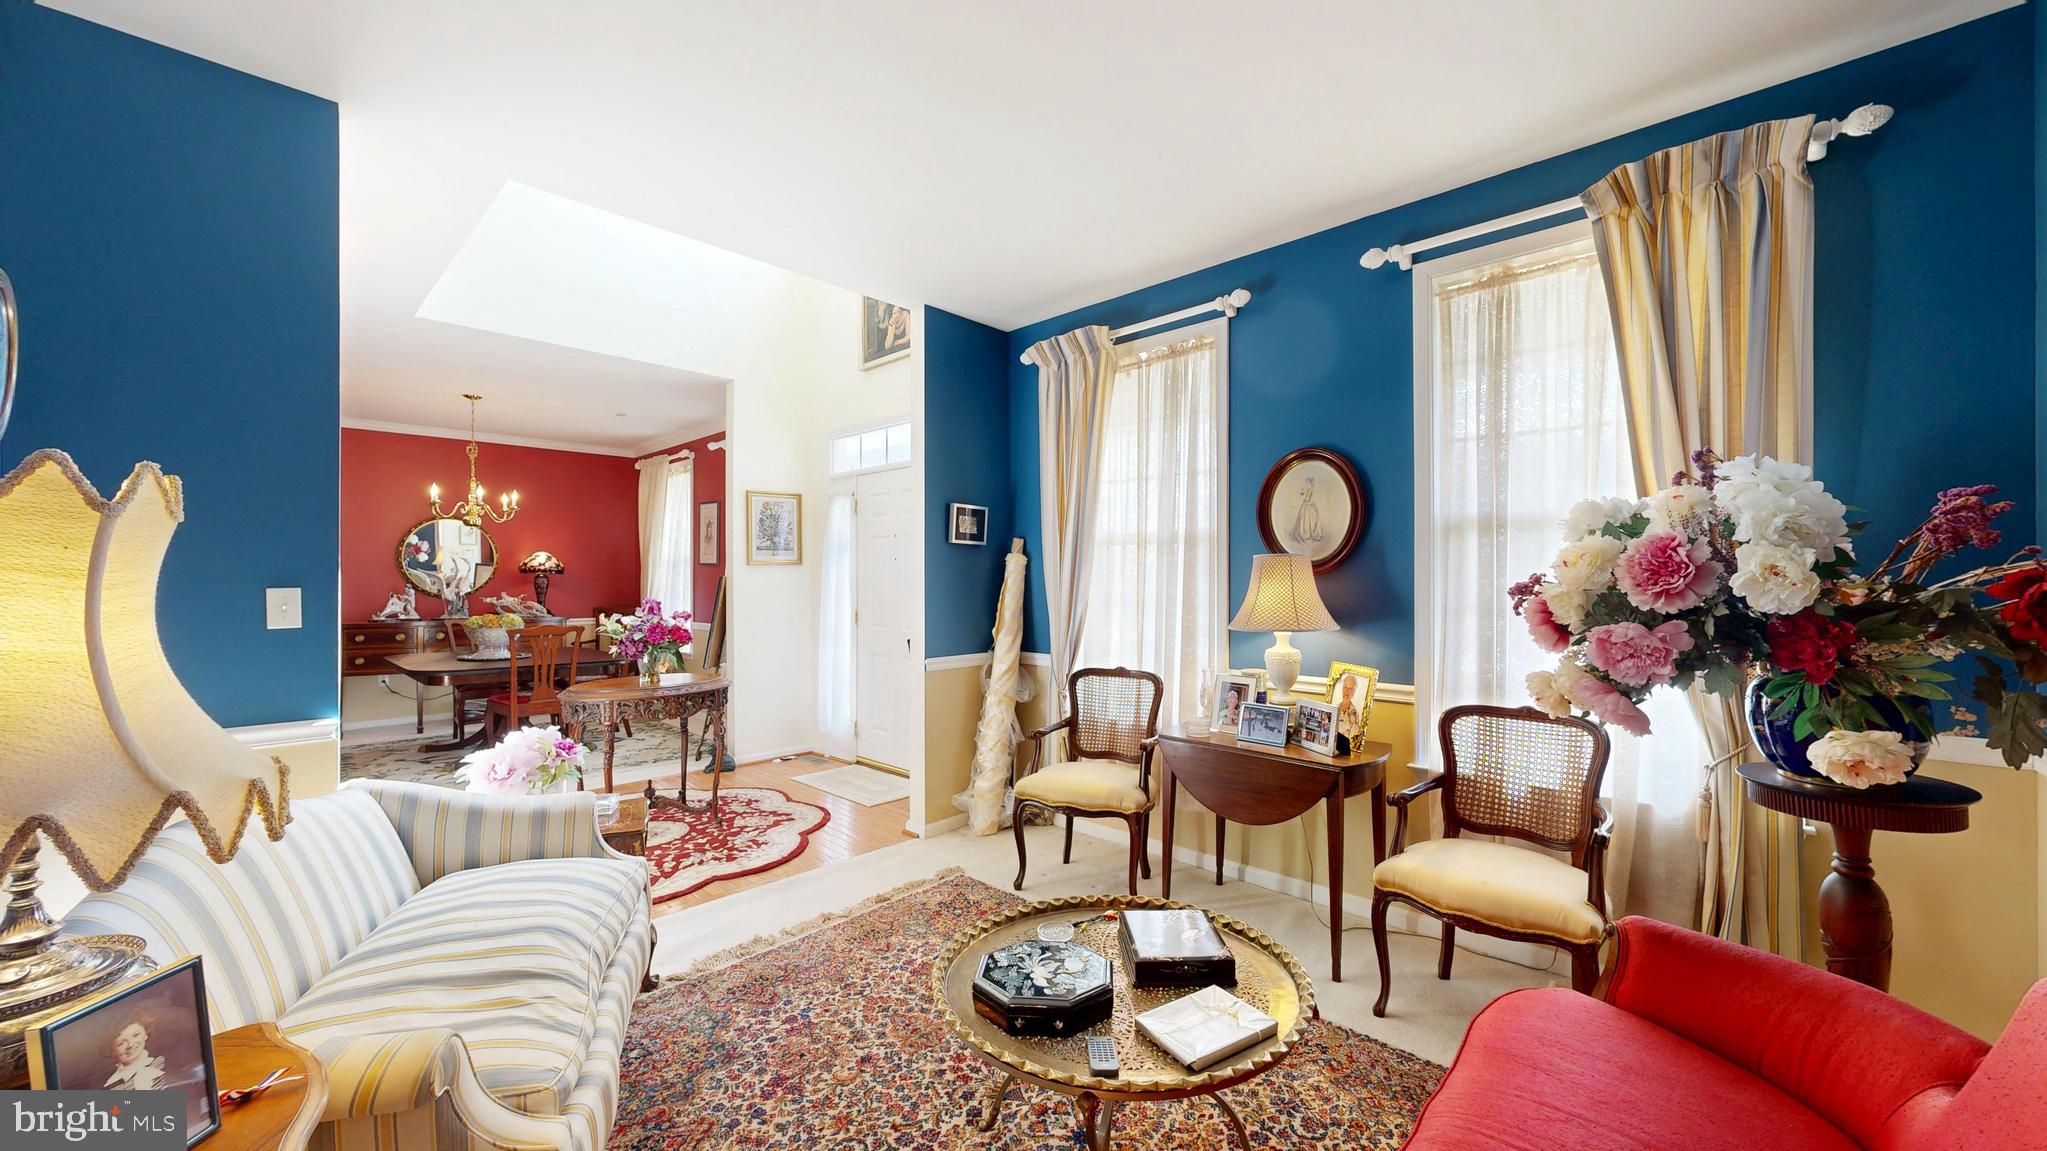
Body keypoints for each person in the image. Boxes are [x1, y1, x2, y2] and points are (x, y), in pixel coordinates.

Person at [104, 1018, 166, 1091]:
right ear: (113, 1051)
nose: (130, 1045)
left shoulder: (164, 1061)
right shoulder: (111, 1088)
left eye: (136, 1035)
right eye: (121, 1043)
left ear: (145, 1034)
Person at [1336, 675, 1363, 741]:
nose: (1346, 692)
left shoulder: (1354, 714)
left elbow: (1352, 741)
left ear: (1353, 692)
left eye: (1350, 689)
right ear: (1342, 688)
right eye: (1345, 687)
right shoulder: (1336, 707)